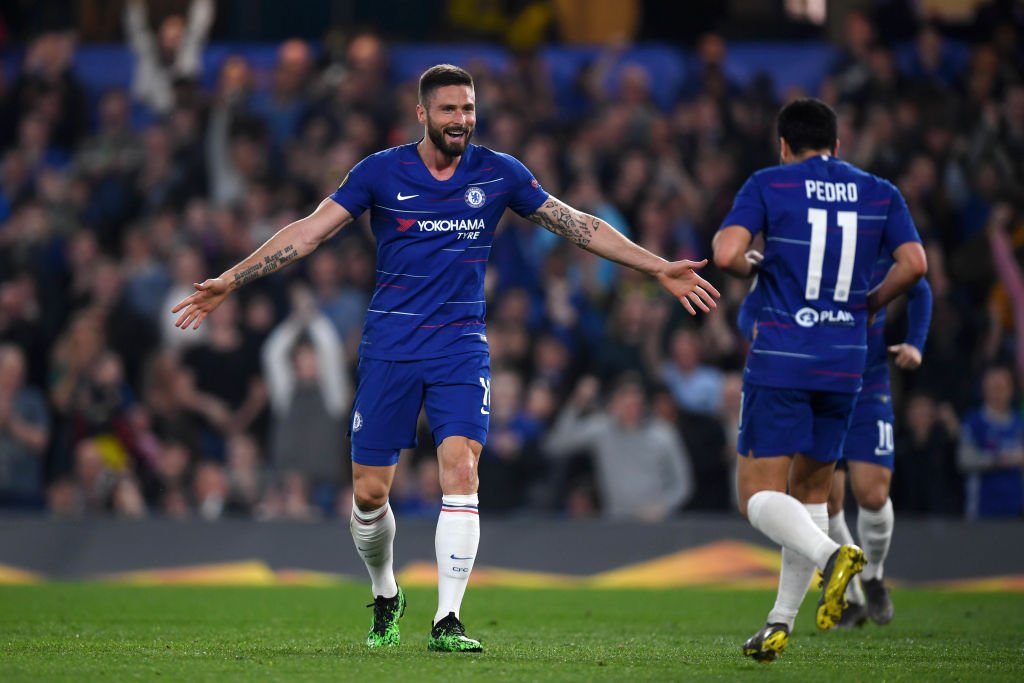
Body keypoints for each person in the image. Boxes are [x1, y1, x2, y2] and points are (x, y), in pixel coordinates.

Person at [172, 64, 720, 653]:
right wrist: (231, 279)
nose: (461, 120)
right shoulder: (380, 172)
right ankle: (386, 592)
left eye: (468, 109)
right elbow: (309, 233)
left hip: (460, 347)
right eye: (449, 110)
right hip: (390, 347)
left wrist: (657, 266)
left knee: (461, 471)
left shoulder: (500, 173)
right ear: (422, 114)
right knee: (369, 495)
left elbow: (578, 225)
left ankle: (448, 619)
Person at [712, 97, 927, 662]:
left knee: (757, 495)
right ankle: (780, 621)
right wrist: (869, 303)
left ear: (783, 145)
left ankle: (834, 557)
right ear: (837, 143)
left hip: (783, 357)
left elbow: (726, 252)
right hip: (846, 362)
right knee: (810, 494)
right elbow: (915, 265)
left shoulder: (769, 184)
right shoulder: (879, 192)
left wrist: (752, 263)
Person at [739, 250, 933, 628]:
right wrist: (755, 329)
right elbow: (750, 307)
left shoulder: (872, 248)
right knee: (825, 500)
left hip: (868, 383)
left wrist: (916, 342)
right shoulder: (798, 251)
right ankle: (852, 594)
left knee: (872, 493)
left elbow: (919, 286)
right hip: (815, 383)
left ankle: (873, 576)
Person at [544, 374, 694, 520]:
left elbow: (683, 484)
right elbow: (556, 445)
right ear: (614, 404)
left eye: (636, 404)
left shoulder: (663, 433)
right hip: (616, 521)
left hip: (657, 522)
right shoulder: (601, 429)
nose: (631, 410)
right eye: (625, 403)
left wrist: (663, 507)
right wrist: (578, 403)